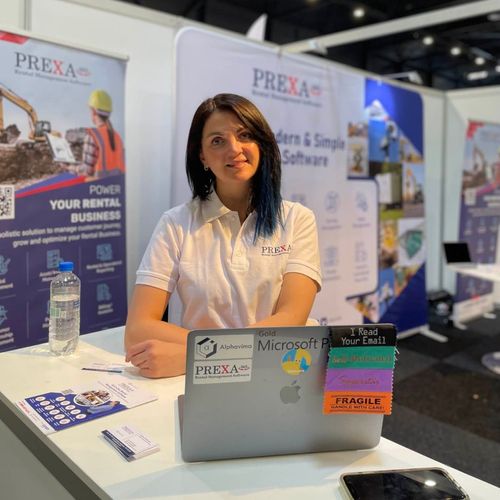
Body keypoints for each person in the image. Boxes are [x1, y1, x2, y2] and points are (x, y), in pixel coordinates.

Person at [125, 93, 322, 379]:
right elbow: (138, 328)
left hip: (275, 375)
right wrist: (220, 357)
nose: (234, 149)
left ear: (262, 144)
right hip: (200, 384)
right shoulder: (176, 223)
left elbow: (290, 321)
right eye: (218, 141)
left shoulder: (296, 219)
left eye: (245, 135)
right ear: (202, 156)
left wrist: (196, 357)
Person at [80, 89, 125, 178]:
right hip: (116, 185)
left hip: (97, 185)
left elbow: (86, 172)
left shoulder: (92, 135)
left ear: (93, 111)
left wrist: (69, 167)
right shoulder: (117, 137)